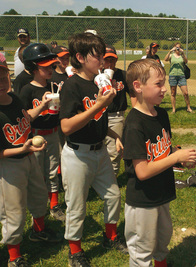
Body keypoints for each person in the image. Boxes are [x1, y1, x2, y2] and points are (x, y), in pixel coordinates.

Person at [59, 32, 127, 266]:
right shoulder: (71, 86)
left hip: (99, 151)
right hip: (78, 154)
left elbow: (96, 118)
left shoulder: (96, 82)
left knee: (113, 196)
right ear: (79, 57)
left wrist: (113, 134)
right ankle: (75, 252)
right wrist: (98, 105)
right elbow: (66, 126)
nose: (101, 60)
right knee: (77, 205)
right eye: (96, 56)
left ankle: (111, 236)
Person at [123, 59, 196, 267]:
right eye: (158, 84)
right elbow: (143, 172)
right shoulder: (134, 124)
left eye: (164, 82)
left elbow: (163, 151)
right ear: (138, 86)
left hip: (161, 194)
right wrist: (175, 158)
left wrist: (180, 159)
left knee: (162, 241)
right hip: (143, 200)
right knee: (142, 251)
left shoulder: (161, 114)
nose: (164, 89)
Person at [0, 53, 63, 267]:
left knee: (38, 196)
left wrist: (43, 108)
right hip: (9, 165)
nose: (0, 83)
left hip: (28, 156)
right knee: (14, 211)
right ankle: (14, 256)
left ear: (8, 76)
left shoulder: (14, 99)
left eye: (2, 77)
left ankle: (38, 231)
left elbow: (27, 118)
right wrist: (21, 148)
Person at [19, 43, 66, 222]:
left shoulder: (54, 86)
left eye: (52, 66)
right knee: (37, 174)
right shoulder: (27, 90)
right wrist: (42, 106)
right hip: (36, 136)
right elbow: (24, 119)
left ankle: (54, 204)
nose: (51, 69)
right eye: (46, 66)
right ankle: (37, 210)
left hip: (53, 133)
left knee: (53, 171)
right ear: (33, 68)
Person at [103, 44, 129, 177]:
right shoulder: (96, 76)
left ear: (116, 60)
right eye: (106, 59)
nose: (109, 63)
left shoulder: (122, 75)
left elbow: (134, 96)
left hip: (116, 116)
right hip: (98, 116)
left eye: (112, 59)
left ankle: (112, 179)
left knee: (114, 151)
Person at [164, 42, 193, 113]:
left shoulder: (181, 56)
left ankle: (188, 107)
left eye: (179, 47)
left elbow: (186, 61)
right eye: (176, 47)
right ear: (174, 47)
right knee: (173, 93)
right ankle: (174, 109)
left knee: (185, 93)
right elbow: (165, 59)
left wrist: (183, 53)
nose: (178, 48)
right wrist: (170, 51)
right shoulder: (171, 55)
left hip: (181, 76)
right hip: (173, 75)